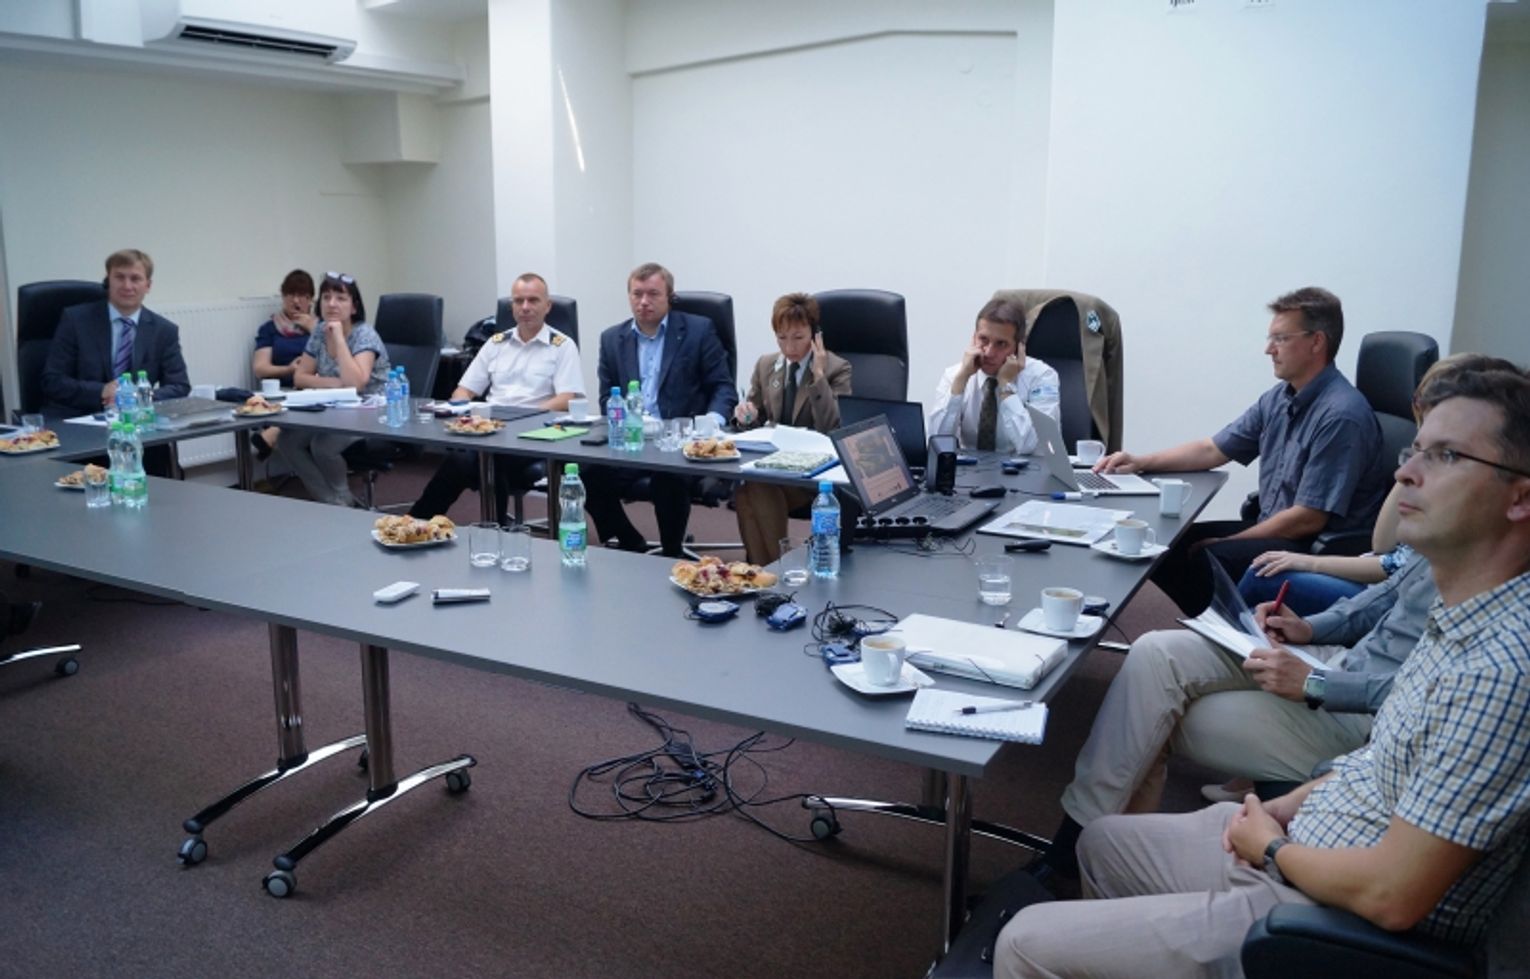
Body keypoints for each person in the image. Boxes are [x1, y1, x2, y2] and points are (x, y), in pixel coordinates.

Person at [997, 367, 1530, 978]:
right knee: (1104, 840)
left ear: (1520, 498)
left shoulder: (1496, 670)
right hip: (1315, 827)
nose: (1404, 472)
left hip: (1324, 908)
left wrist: (1274, 847)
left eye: (1446, 455)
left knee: (1023, 942)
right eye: (1415, 450)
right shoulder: (1457, 612)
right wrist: (1287, 805)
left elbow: (1393, 895)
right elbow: (1379, 754)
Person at [1095, 287, 1390, 615]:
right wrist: (1141, 462)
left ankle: (1215, 632)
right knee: (1172, 545)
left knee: (1206, 556)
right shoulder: (1280, 398)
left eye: (1280, 339)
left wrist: (1229, 543)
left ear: (1316, 342)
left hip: (1313, 545)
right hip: (1281, 526)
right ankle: (1194, 624)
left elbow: (1307, 519)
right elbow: (1212, 449)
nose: (1269, 350)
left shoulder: (1341, 415)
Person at [1236, 353, 1521, 617]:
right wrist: (1419, 457)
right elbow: (1382, 544)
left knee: (1261, 577)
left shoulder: (1461, 512)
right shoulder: (1421, 466)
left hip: (1382, 592)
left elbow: (1393, 565)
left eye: (1447, 454)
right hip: (1375, 582)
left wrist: (1309, 562)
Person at [581, 263, 736, 557]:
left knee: (668, 478)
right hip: (634, 442)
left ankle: (671, 552)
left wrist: (710, 425)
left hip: (680, 443)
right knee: (582, 471)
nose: (644, 301)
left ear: (669, 297)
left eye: (653, 294)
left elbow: (723, 388)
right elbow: (606, 399)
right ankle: (629, 540)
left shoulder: (698, 331)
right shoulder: (612, 339)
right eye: (637, 294)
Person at [408, 273, 583, 524]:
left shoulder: (562, 346)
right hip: (491, 431)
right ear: (512, 306)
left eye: (533, 300)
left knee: (477, 459)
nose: (525, 307)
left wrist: (522, 418)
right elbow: (463, 391)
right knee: (470, 457)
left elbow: (566, 398)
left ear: (548, 306)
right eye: (518, 301)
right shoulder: (496, 343)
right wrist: (464, 411)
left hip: (534, 437)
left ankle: (422, 520)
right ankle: (425, 523)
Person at [731, 293, 852, 564]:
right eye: (782, 338)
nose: (789, 347)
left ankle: (773, 569)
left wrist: (818, 376)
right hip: (773, 467)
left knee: (755, 490)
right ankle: (769, 570)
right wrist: (746, 416)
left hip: (812, 476)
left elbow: (831, 427)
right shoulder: (766, 365)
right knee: (748, 492)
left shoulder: (837, 368)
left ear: (815, 335)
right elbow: (756, 417)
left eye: (798, 337)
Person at [274, 272, 389, 507]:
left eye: (340, 298)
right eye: (326, 297)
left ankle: (339, 499)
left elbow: (357, 384)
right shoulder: (319, 331)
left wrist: (338, 337)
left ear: (354, 306)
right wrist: (338, 385)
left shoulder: (364, 334)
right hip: (334, 408)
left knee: (323, 445)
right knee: (287, 441)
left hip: (371, 411)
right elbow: (301, 377)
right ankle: (336, 501)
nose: (332, 304)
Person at [41, 248, 191, 415]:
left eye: (135, 279)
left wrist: (138, 396)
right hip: (80, 416)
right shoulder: (75, 320)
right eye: (119, 277)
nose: (127, 286)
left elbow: (179, 386)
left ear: (148, 286)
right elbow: (52, 381)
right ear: (108, 281)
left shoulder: (163, 330)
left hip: (136, 417)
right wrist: (101, 391)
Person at [929, 297, 1060, 454]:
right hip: (970, 468)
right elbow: (937, 443)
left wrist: (1006, 386)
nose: (989, 353)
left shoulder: (1042, 377)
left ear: (1019, 346)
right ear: (973, 337)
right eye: (983, 339)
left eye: (1001, 344)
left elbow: (1032, 445)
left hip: (1022, 468)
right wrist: (961, 380)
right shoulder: (954, 375)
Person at [248, 269, 317, 461]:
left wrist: (313, 330)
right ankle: (273, 434)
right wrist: (290, 369)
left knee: (308, 395)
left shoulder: (321, 327)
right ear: (283, 296)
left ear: (311, 299)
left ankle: (271, 434)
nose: (296, 301)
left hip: (314, 386)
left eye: (302, 296)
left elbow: (335, 360)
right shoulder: (270, 329)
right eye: (290, 295)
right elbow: (260, 369)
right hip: (282, 390)